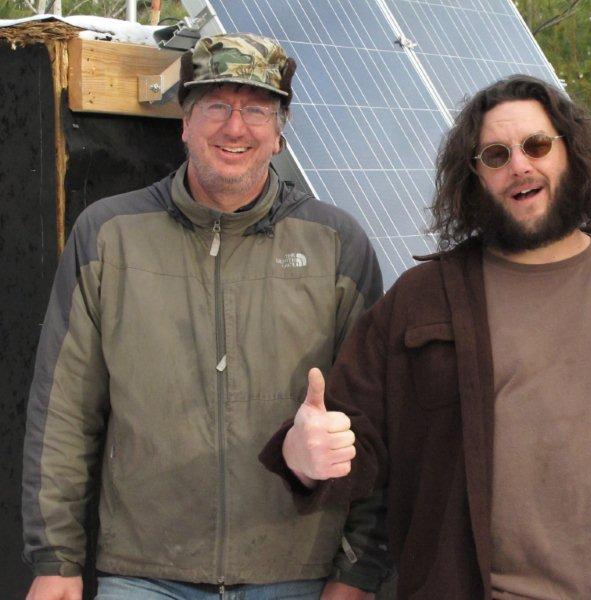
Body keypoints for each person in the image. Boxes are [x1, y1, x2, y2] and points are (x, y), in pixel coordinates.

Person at [263, 75, 591, 599]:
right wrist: (304, 457)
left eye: (536, 145)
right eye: (495, 154)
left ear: (570, 152)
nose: (519, 165)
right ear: (473, 177)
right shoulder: (423, 300)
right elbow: (351, 439)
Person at [22, 33, 391, 600]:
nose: (235, 128)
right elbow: (65, 411)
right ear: (185, 124)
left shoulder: (336, 244)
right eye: (216, 105)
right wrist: (57, 559)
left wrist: (357, 571)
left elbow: (374, 418)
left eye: (256, 109)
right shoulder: (109, 236)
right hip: (143, 574)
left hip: (295, 572)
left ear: (279, 130)